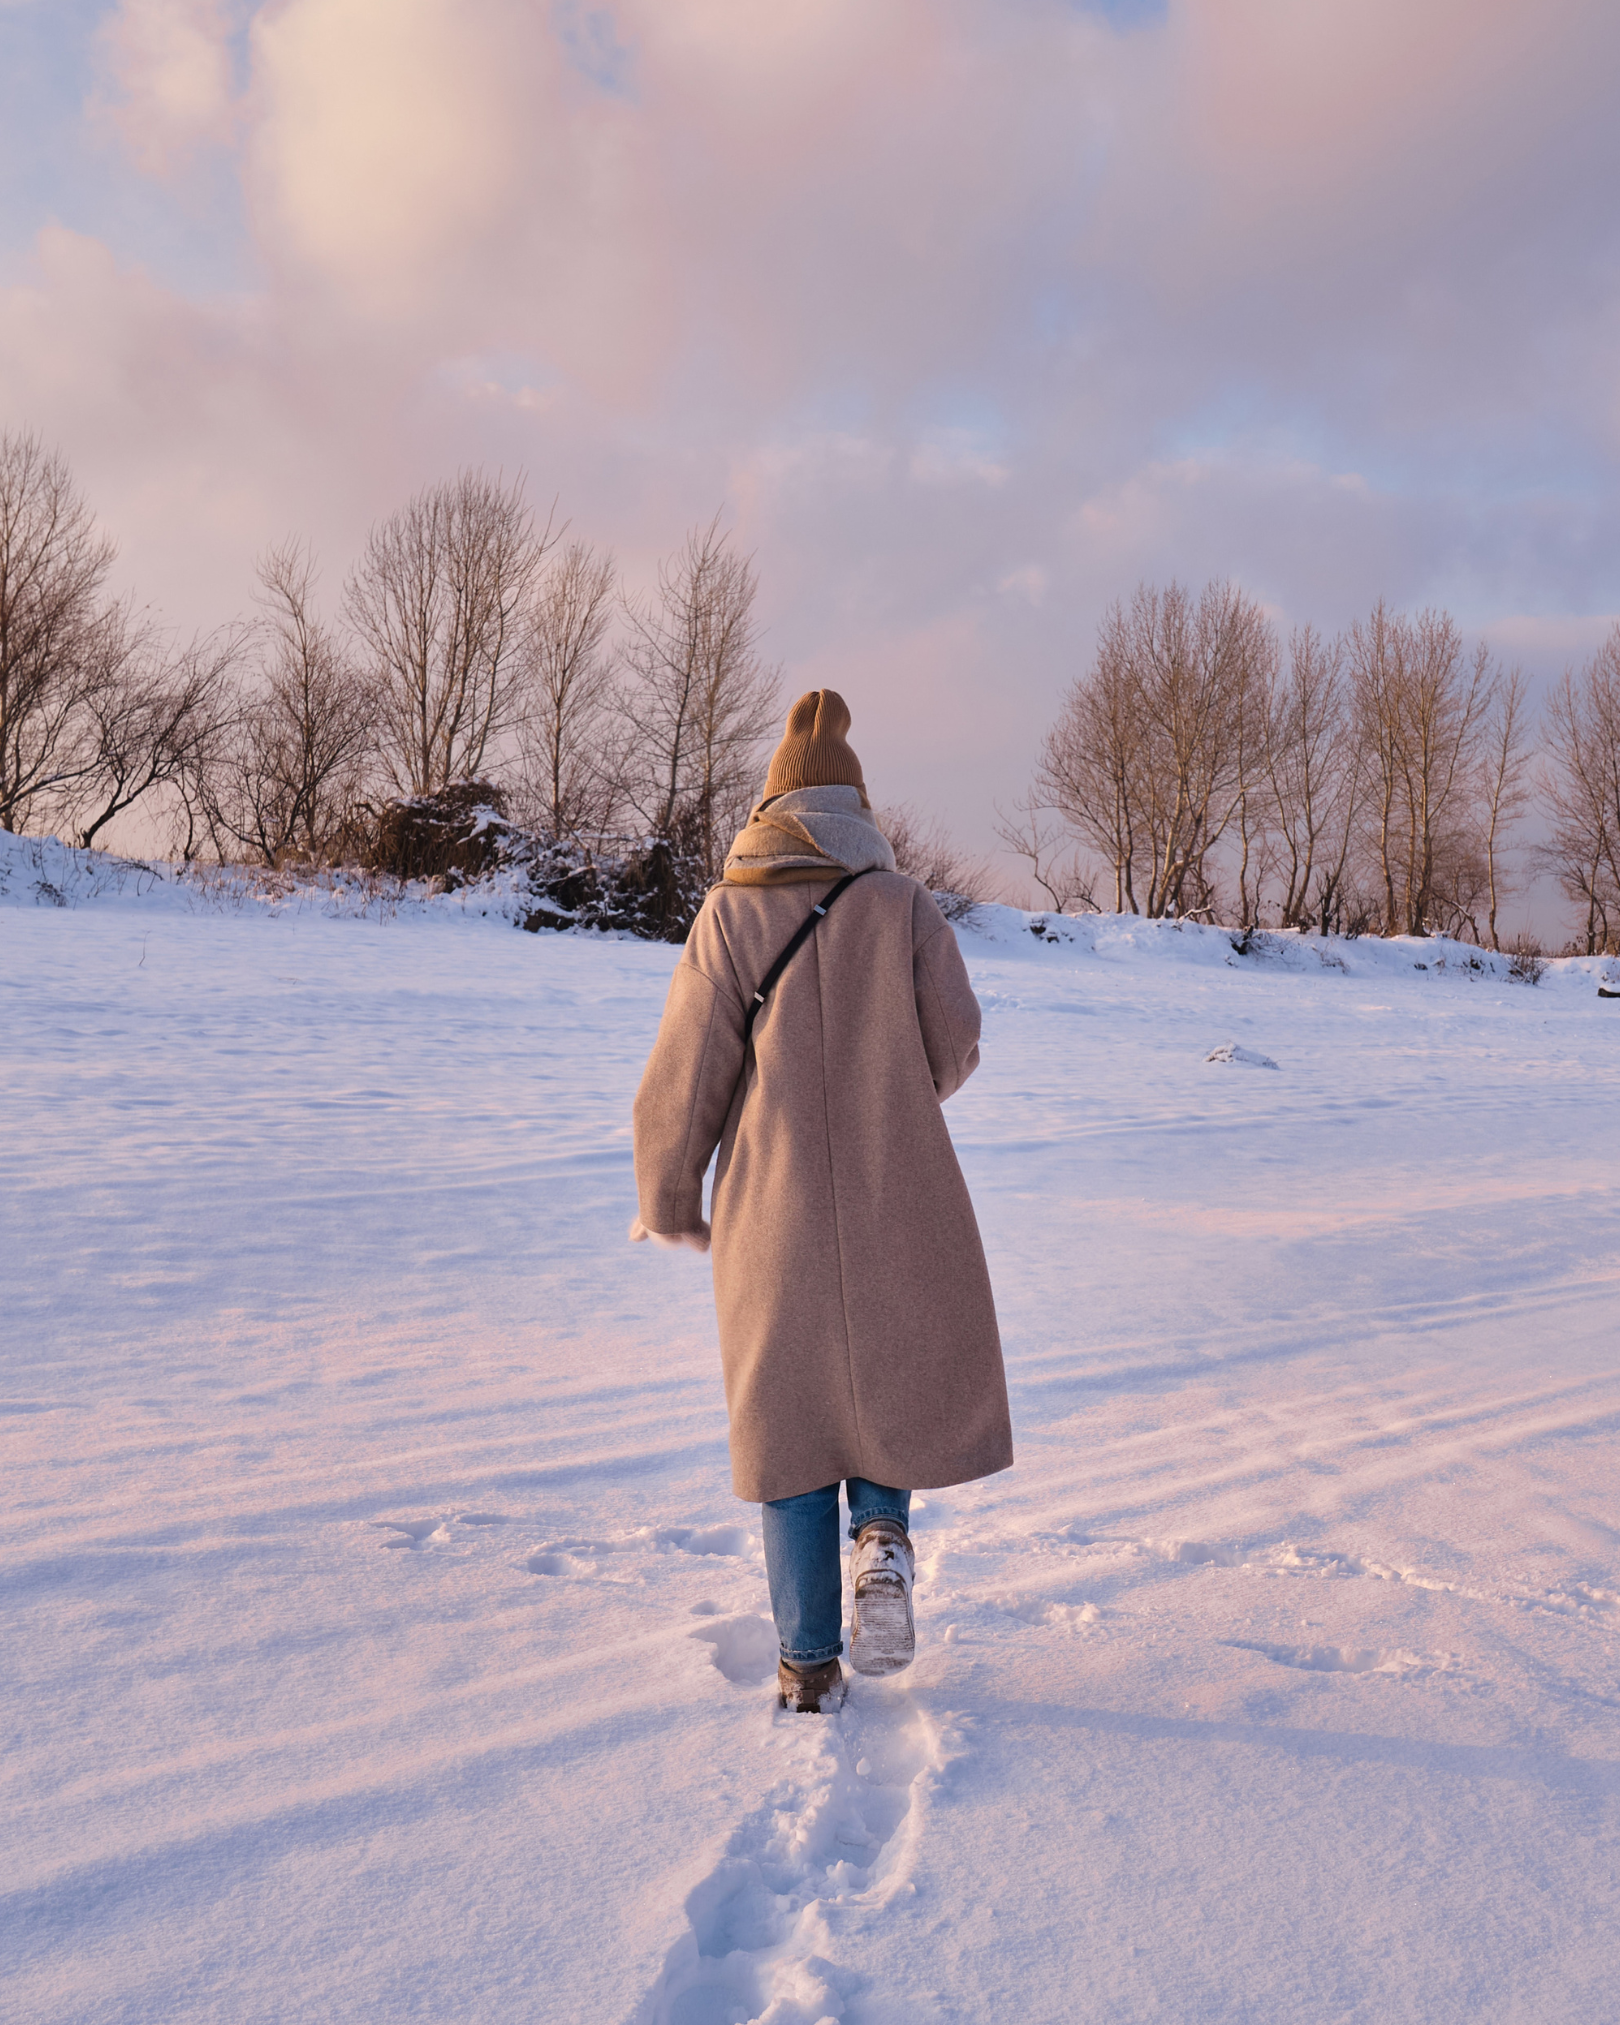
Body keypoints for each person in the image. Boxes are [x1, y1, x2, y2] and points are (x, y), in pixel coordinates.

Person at [630, 689, 1013, 1712]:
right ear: (857, 807)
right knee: (884, 1382)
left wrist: (670, 1188)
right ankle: (882, 1536)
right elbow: (958, 1039)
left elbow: (688, 1069)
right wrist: (895, 1095)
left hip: (770, 1206)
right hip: (900, 1186)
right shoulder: (903, 906)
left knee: (789, 1420)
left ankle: (807, 1667)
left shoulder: (728, 912)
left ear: (770, 805)